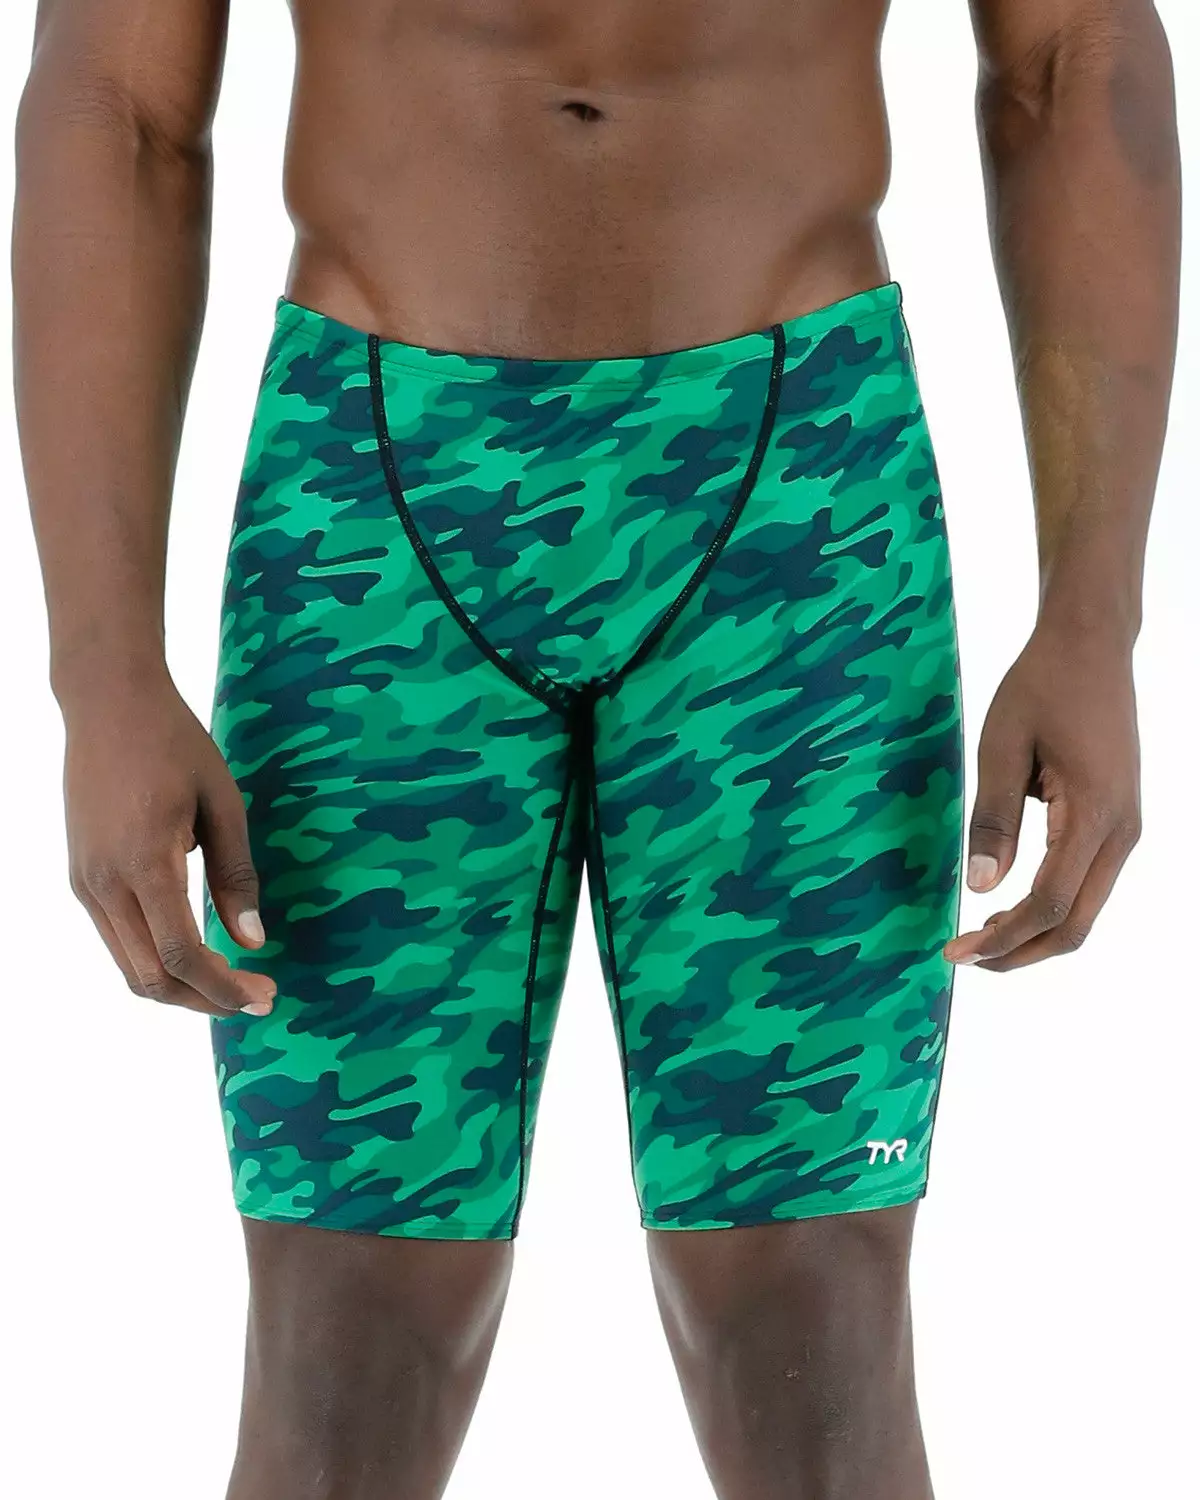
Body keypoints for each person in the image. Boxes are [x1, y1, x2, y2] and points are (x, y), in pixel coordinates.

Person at [12, 2, 1179, 1497]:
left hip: (796, 505)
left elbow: (1073, 56)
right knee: (347, 1339)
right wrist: (101, 667)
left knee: (809, 1323)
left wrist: (1094, 618)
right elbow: (118, 106)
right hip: (370, 498)